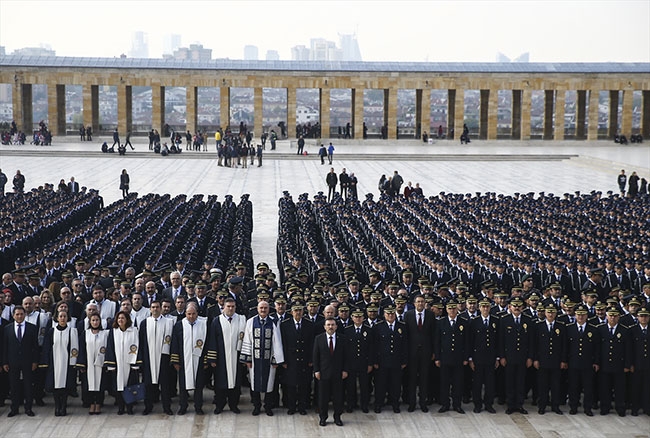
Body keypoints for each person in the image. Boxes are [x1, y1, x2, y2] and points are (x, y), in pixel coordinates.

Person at [240, 301, 284, 416]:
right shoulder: (251, 322)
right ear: (257, 309)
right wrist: (248, 359)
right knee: (254, 383)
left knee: (269, 384)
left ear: (269, 309)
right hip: (255, 360)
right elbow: (247, 340)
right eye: (261, 308)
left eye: (265, 308)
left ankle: (268, 407)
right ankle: (257, 406)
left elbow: (277, 341)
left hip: (269, 360)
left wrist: (276, 359)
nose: (263, 310)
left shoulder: (274, 321)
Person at [207, 297, 247, 414]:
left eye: (232, 306)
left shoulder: (240, 319)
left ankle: (233, 405)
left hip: (236, 357)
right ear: (223, 307)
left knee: (236, 383)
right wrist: (212, 358)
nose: (230, 309)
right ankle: (220, 405)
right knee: (220, 383)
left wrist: (245, 357)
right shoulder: (217, 321)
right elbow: (212, 340)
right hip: (221, 358)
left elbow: (245, 339)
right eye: (228, 306)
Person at [170, 302, 208, 415]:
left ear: (197, 314)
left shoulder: (203, 324)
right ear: (185, 314)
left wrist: (206, 360)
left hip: (199, 359)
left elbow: (207, 343)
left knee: (199, 385)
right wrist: (175, 361)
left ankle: (198, 406)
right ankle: (183, 406)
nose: (191, 316)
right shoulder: (179, 325)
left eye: (193, 314)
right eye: (189, 314)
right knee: (183, 385)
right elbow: (174, 344)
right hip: (184, 360)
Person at [40, 308, 79, 416]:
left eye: (64, 316)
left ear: (68, 318)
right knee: (55, 386)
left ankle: (63, 406)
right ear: (57, 318)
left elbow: (74, 349)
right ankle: (57, 406)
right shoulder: (52, 331)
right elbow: (47, 347)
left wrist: (73, 363)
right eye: (60, 316)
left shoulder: (72, 331)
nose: (62, 318)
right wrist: (46, 362)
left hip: (67, 363)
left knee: (65, 386)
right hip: (54, 363)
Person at [138, 300, 174, 415]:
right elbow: (141, 342)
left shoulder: (169, 322)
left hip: (163, 358)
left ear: (160, 308)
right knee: (148, 385)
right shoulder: (144, 323)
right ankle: (148, 406)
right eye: (153, 307)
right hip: (148, 358)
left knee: (165, 385)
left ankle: (166, 407)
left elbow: (171, 342)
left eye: (157, 307)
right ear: (150, 309)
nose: (155, 309)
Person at [2, 306, 39, 417]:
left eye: (21, 314)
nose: (19, 316)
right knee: (14, 386)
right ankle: (14, 408)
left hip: (27, 362)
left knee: (28, 385)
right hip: (12, 362)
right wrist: (4, 362)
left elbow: (35, 347)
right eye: (17, 314)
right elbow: (5, 347)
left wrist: (35, 361)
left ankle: (28, 408)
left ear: (24, 315)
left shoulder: (32, 328)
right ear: (13, 315)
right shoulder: (7, 328)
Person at [499, 297, 533, 415]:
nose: (517, 308)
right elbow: (501, 341)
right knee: (509, 382)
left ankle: (519, 405)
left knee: (520, 382)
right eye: (514, 305)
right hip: (509, 357)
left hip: (523, 357)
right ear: (510, 307)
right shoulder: (504, 320)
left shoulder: (528, 320)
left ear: (523, 307)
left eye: (519, 305)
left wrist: (530, 357)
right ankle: (510, 405)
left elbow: (531, 341)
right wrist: (502, 356)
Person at [280, 302, 314, 415]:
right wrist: (283, 360)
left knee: (304, 384)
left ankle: (302, 407)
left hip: (304, 359)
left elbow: (311, 344)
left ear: (303, 311)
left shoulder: (309, 324)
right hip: (291, 360)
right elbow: (283, 344)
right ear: (291, 312)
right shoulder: (284, 324)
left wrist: (311, 359)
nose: (298, 313)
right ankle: (291, 407)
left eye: (300, 310)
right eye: (295, 310)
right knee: (291, 385)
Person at [435, 299, 468, 414]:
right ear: (446, 310)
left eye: (454, 308)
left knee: (457, 383)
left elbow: (466, 342)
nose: (452, 310)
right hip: (445, 358)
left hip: (458, 358)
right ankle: (445, 404)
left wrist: (465, 358)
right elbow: (437, 342)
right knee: (444, 383)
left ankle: (457, 405)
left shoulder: (464, 322)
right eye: (450, 308)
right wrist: (437, 358)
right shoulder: (441, 322)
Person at [313, 317, 348, 426]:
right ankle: (323, 417)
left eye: (332, 325)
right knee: (323, 397)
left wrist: (345, 370)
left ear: (336, 326)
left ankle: (337, 417)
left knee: (338, 397)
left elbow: (346, 357)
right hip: (323, 373)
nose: (331, 327)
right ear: (324, 327)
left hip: (338, 373)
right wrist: (316, 370)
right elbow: (315, 356)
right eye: (328, 325)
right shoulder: (319, 339)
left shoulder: (342, 339)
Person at [532, 305, 567, 415]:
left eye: (553, 312)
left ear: (556, 313)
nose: (550, 314)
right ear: (545, 313)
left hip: (556, 361)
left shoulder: (561, 326)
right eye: (548, 312)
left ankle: (555, 406)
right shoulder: (538, 326)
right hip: (543, 360)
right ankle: (542, 405)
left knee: (556, 385)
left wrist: (563, 360)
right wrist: (535, 359)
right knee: (543, 385)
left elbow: (564, 345)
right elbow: (535, 344)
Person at [105, 310, 141, 415]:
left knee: (130, 386)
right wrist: (111, 364)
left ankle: (129, 407)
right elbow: (110, 347)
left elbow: (137, 346)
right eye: (119, 318)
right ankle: (121, 407)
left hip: (130, 363)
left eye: (123, 318)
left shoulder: (134, 331)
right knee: (119, 386)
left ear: (127, 320)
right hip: (118, 363)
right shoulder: (114, 331)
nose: (121, 320)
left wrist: (136, 363)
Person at [373, 305, 407, 413]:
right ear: (384, 315)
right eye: (388, 313)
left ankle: (395, 404)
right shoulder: (378, 327)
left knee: (396, 384)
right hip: (382, 361)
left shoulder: (402, 326)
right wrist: (375, 361)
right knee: (380, 384)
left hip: (396, 361)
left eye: (392, 313)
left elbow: (406, 345)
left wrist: (404, 360)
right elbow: (374, 345)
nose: (391, 315)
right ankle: (378, 404)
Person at [404, 295, 435, 413]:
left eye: (422, 302)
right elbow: (406, 336)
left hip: (426, 352)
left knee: (424, 378)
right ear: (414, 303)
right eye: (418, 302)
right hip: (412, 353)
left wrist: (433, 352)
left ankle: (423, 403)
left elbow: (433, 335)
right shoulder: (408, 315)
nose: (420, 304)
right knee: (412, 379)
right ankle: (412, 403)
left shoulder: (430, 315)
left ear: (425, 303)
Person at [78, 313, 109, 415]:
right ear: (90, 322)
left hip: (101, 363)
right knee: (89, 385)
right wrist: (82, 364)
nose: (95, 322)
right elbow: (81, 349)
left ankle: (99, 403)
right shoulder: (85, 333)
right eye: (93, 320)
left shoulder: (105, 334)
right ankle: (91, 403)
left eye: (97, 320)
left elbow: (108, 349)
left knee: (100, 384)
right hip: (89, 364)